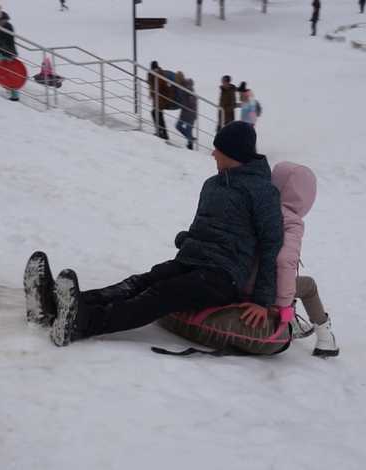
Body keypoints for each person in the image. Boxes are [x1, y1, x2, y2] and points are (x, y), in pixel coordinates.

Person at [37, 122, 284, 346]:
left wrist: (262, 301)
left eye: (217, 149)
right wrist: (187, 241)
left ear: (234, 153)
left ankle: (83, 323)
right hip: (191, 260)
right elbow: (206, 228)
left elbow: (271, 244)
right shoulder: (213, 185)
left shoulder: (263, 192)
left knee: (160, 294)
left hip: (223, 277)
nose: (212, 153)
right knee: (140, 282)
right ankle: (58, 303)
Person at [270, 162, 339, 357]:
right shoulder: (290, 220)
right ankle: (326, 338)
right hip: (264, 286)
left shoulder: (260, 207)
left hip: (240, 277)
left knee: (286, 278)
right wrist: (282, 307)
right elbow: (285, 261)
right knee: (307, 285)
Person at [0, 6, 20, 101]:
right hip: (1, 52)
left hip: (8, 52)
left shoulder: (7, 25)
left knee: (10, 74)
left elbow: (10, 40)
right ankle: (9, 88)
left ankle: (15, 96)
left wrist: (10, 54)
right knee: (2, 72)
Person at [147, 61, 171, 140]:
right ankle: (163, 133)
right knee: (158, 115)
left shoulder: (159, 75)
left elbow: (158, 86)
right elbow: (151, 83)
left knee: (156, 114)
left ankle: (162, 133)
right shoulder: (155, 74)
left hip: (161, 98)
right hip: (158, 98)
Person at [176, 78, 198, 150]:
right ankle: (190, 139)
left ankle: (190, 145)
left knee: (188, 129)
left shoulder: (190, 91)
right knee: (179, 126)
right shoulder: (184, 90)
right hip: (185, 113)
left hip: (190, 114)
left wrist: (187, 101)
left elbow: (191, 103)